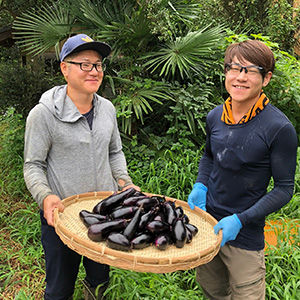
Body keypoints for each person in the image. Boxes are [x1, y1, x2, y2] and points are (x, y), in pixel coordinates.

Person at [23, 34, 140, 300]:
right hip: (62, 218)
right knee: (58, 289)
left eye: (98, 65)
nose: (94, 71)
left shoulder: (108, 109)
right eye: (84, 64)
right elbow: (33, 165)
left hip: (105, 215)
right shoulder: (43, 114)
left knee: (99, 281)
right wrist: (46, 196)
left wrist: (124, 182)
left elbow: (115, 152)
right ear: (64, 68)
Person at [188, 40, 297, 299]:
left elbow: (284, 189)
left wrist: (241, 219)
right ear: (225, 72)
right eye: (234, 68)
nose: (239, 77)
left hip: (245, 237)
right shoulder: (215, 116)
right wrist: (200, 184)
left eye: (250, 70)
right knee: (212, 292)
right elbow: (209, 156)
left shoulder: (279, 129)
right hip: (209, 228)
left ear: (266, 77)